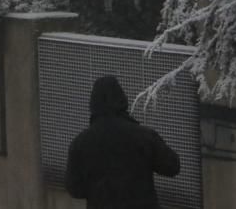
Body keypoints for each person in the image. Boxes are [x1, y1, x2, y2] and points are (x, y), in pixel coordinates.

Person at [64, 75, 180, 209]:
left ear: (93, 104)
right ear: (122, 100)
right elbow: (172, 166)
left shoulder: (81, 143)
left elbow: (74, 188)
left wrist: (99, 190)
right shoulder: (143, 136)